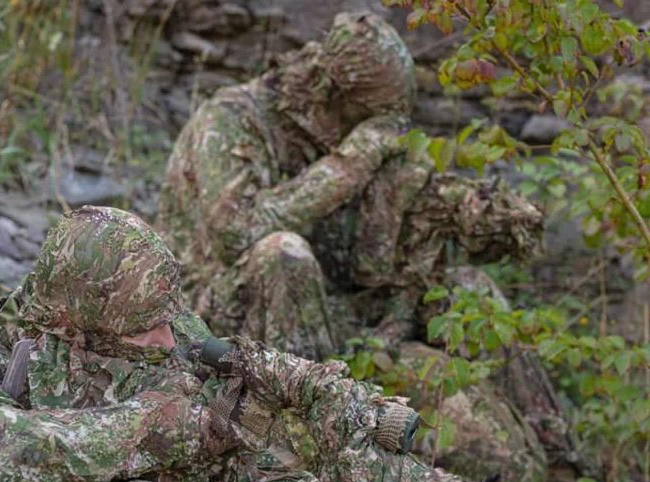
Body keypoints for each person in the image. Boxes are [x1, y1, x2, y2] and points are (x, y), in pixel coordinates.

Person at [0, 206, 580, 482]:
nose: (171, 336)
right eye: (150, 328)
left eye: (171, 317)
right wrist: (152, 429)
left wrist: (303, 399)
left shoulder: (158, 321)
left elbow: (213, 379)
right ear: (72, 321)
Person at [157, 11, 544, 363]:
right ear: (330, 94)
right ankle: (306, 418)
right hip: (217, 311)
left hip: (332, 305)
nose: (377, 132)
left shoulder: (344, 132)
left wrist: (472, 209)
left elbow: (383, 244)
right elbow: (237, 233)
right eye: (369, 118)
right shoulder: (231, 119)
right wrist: (351, 163)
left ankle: (546, 437)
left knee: (472, 291)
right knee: (283, 254)